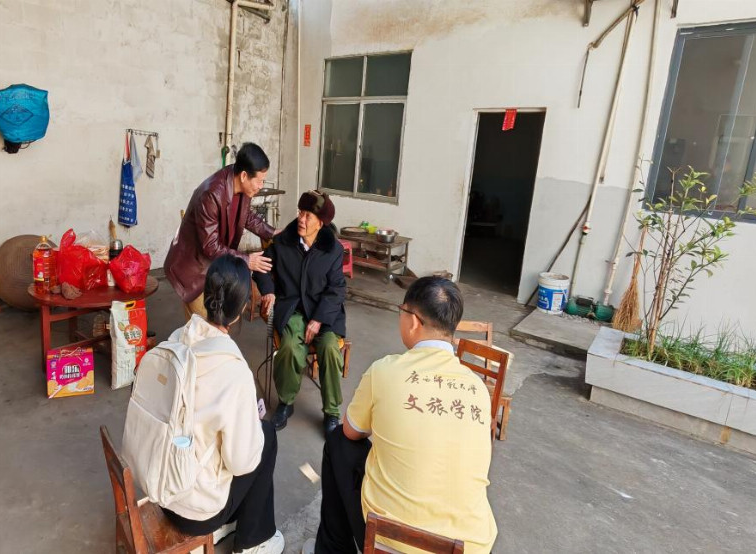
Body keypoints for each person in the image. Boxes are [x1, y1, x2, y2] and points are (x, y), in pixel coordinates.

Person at [303, 277, 497, 554]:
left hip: (391, 542)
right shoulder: (477, 387)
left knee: (339, 443)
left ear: (414, 321)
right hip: (471, 546)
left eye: (401, 312)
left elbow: (350, 432)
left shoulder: (385, 370)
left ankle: (332, 550)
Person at [127, 255, 284, 554]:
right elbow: (242, 463)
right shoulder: (233, 369)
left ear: (207, 294)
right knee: (266, 438)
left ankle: (229, 523)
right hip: (196, 511)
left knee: (223, 437)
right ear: (241, 309)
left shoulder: (177, 339)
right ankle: (253, 541)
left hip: (161, 486)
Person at [254, 190, 346, 437]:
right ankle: (286, 402)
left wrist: (318, 319)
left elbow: (337, 289)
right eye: (300, 212)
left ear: (321, 223)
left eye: (308, 216)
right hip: (292, 308)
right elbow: (261, 268)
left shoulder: (333, 250)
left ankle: (332, 411)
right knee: (290, 348)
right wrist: (269, 291)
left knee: (330, 348)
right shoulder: (283, 242)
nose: (301, 219)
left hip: (324, 312)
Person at [164, 143, 276, 319]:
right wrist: (247, 260)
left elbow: (245, 216)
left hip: (216, 266)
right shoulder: (211, 194)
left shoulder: (241, 184)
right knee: (204, 324)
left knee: (223, 319)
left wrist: (272, 232)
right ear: (244, 176)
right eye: (259, 181)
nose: (261, 186)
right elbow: (211, 247)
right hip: (195, 271)